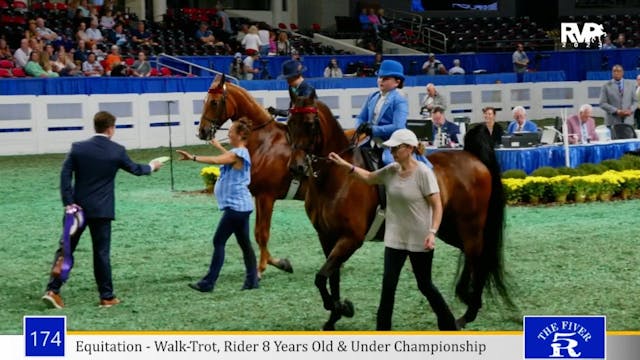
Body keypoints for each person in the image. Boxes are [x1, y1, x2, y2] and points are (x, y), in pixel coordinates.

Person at [327, 129, 456, 331]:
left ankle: (449, 324)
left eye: (396, 147)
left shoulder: (424, 173)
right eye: (392, 147)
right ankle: (383, 331)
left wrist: (432, 232)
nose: (392, 151)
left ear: (410, 148)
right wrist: (345, 165)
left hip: (420, 238)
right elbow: (369, 177)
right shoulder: (391, 170)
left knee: (425, 285)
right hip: (395, 238)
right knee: (388, 286)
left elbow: (437, 205)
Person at [42, 111, 164, 309]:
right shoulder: (117, 151)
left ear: (96, 126)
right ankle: (106, 296)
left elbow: (65, 177)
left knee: (66, 250)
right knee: (101, 253)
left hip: (76, 209)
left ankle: (53, 290)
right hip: (102, 210)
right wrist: (152, 166)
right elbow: (135, 169)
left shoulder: (78, 148)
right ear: (110, 129)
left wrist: (69, 202)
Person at [176, 119, 259, 292]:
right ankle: (252, 281)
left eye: (231, 131)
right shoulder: (239, 152)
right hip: (241, 207)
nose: (228, 133)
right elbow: (226, 157)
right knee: (245, 244)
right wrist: (218, 146)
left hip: (235, 208)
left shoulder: (239, 153)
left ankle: (208, 282)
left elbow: (216, 160)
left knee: (219, 241)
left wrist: (193, 157)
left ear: (241, 135)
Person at [355, 60, 431, 166]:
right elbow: (361, 117)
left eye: (385, 79)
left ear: (397, 82)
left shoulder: (399, 99)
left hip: (393, 143)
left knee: (389, 161)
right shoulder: (372, 96)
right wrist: (360, 127)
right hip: (371, 141)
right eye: (380, 77)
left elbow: (398, 126)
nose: (381, 81)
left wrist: (373, 130)